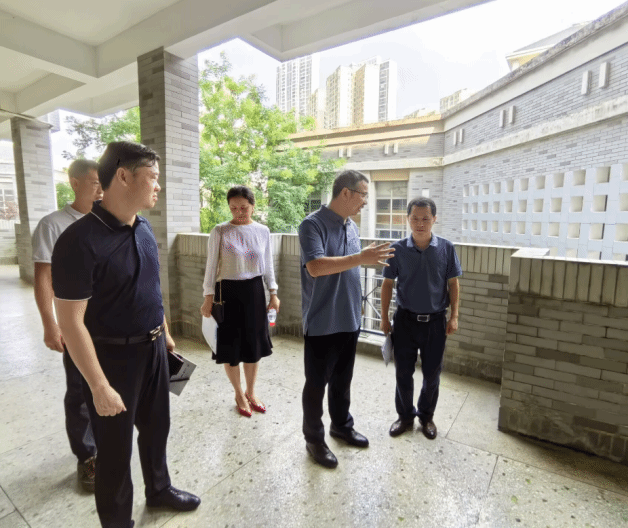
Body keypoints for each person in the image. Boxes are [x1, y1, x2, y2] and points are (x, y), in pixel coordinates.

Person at [51, 141, 200, 528]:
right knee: (114, 452)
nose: (159, 185)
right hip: (111, 360)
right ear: (122, 176)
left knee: (157, 428)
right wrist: (98, 386)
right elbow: (70, 322)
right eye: (152, 177)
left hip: (153, 350)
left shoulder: (144, 227)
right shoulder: (78, 242)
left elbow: (151, 286)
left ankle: (159, 489)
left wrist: (165, 332)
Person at [298, 169, 394, 468]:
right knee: (316, 384)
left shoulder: (351, 226)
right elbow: (316, 267)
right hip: (322, 321)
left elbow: (350, 267)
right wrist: (361, 258)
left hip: (350, 318)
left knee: (342, 380)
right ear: (345, 193)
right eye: (363, 194)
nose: (365, 201)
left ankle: (341, 425)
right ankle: (314, 439)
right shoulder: (312, 225)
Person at [32, 158, 102, 492]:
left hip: (111, 320)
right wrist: (50, 323)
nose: (101, 191)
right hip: (75, 323)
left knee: (111, 382)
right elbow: (43, 276)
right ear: (74, 183)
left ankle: (109, 444)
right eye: (95, 183)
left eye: (104, 184)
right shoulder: (53, 225)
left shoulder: (110, 221)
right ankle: (87, 456)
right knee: (80, 388)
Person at [380, 197, 461, 440]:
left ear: (434, 219)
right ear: (408, 219)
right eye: (415, 218)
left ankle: (426, 417)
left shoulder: (446, 248)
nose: (420, 223)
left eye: (426, 218)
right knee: (403, 373)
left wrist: (454, 316)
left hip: (435, 323)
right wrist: (384, 318)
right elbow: (387, 284)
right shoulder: (397, 249)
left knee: (432, 375)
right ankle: (405, 416)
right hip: (405, 321)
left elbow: (453, 283)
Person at [200, 185, 280, 417]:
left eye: (243, 207)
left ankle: (251, 392)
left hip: (254, 291)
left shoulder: (262, 231)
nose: (239, 212)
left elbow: (268, 265)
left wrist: (273, 293)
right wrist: (207, 298)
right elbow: (211, 267)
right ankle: (238, 393)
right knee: (231, 348)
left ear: (253, 206)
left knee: (253, 346)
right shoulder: (220, 231)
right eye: (233, 208)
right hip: (227, 293)